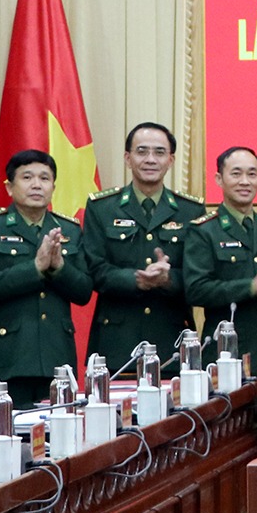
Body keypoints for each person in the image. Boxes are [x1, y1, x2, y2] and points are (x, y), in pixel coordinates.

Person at [0, 150, 95, 409]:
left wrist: (59, 268)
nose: (37, 185)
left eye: (44, 178)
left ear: (53, 187)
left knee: (61, 432)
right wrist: (35, 268)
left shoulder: (69, 229)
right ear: (9, 187)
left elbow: (84, 291)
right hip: (8, 358)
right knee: (9, 431)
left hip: (57, 357)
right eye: (27, 177)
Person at [81, 123, 203, 364]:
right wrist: (136, 279)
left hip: (172, 340)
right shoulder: (102, 207)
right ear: (128, 158)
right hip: (117, 340)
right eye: (142, 151)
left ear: (171, 160)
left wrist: (168, 279)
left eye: (159, 152)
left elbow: (198, 277)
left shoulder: (191, 210)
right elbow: (93, 269)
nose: (150, 159)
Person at [185, 146, 257, 375]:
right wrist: (251, 286)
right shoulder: (204, 231)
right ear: (219, 179)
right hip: (226, 357)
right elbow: (196, 290)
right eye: (236, 174)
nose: (245, 181)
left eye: (252, 174)